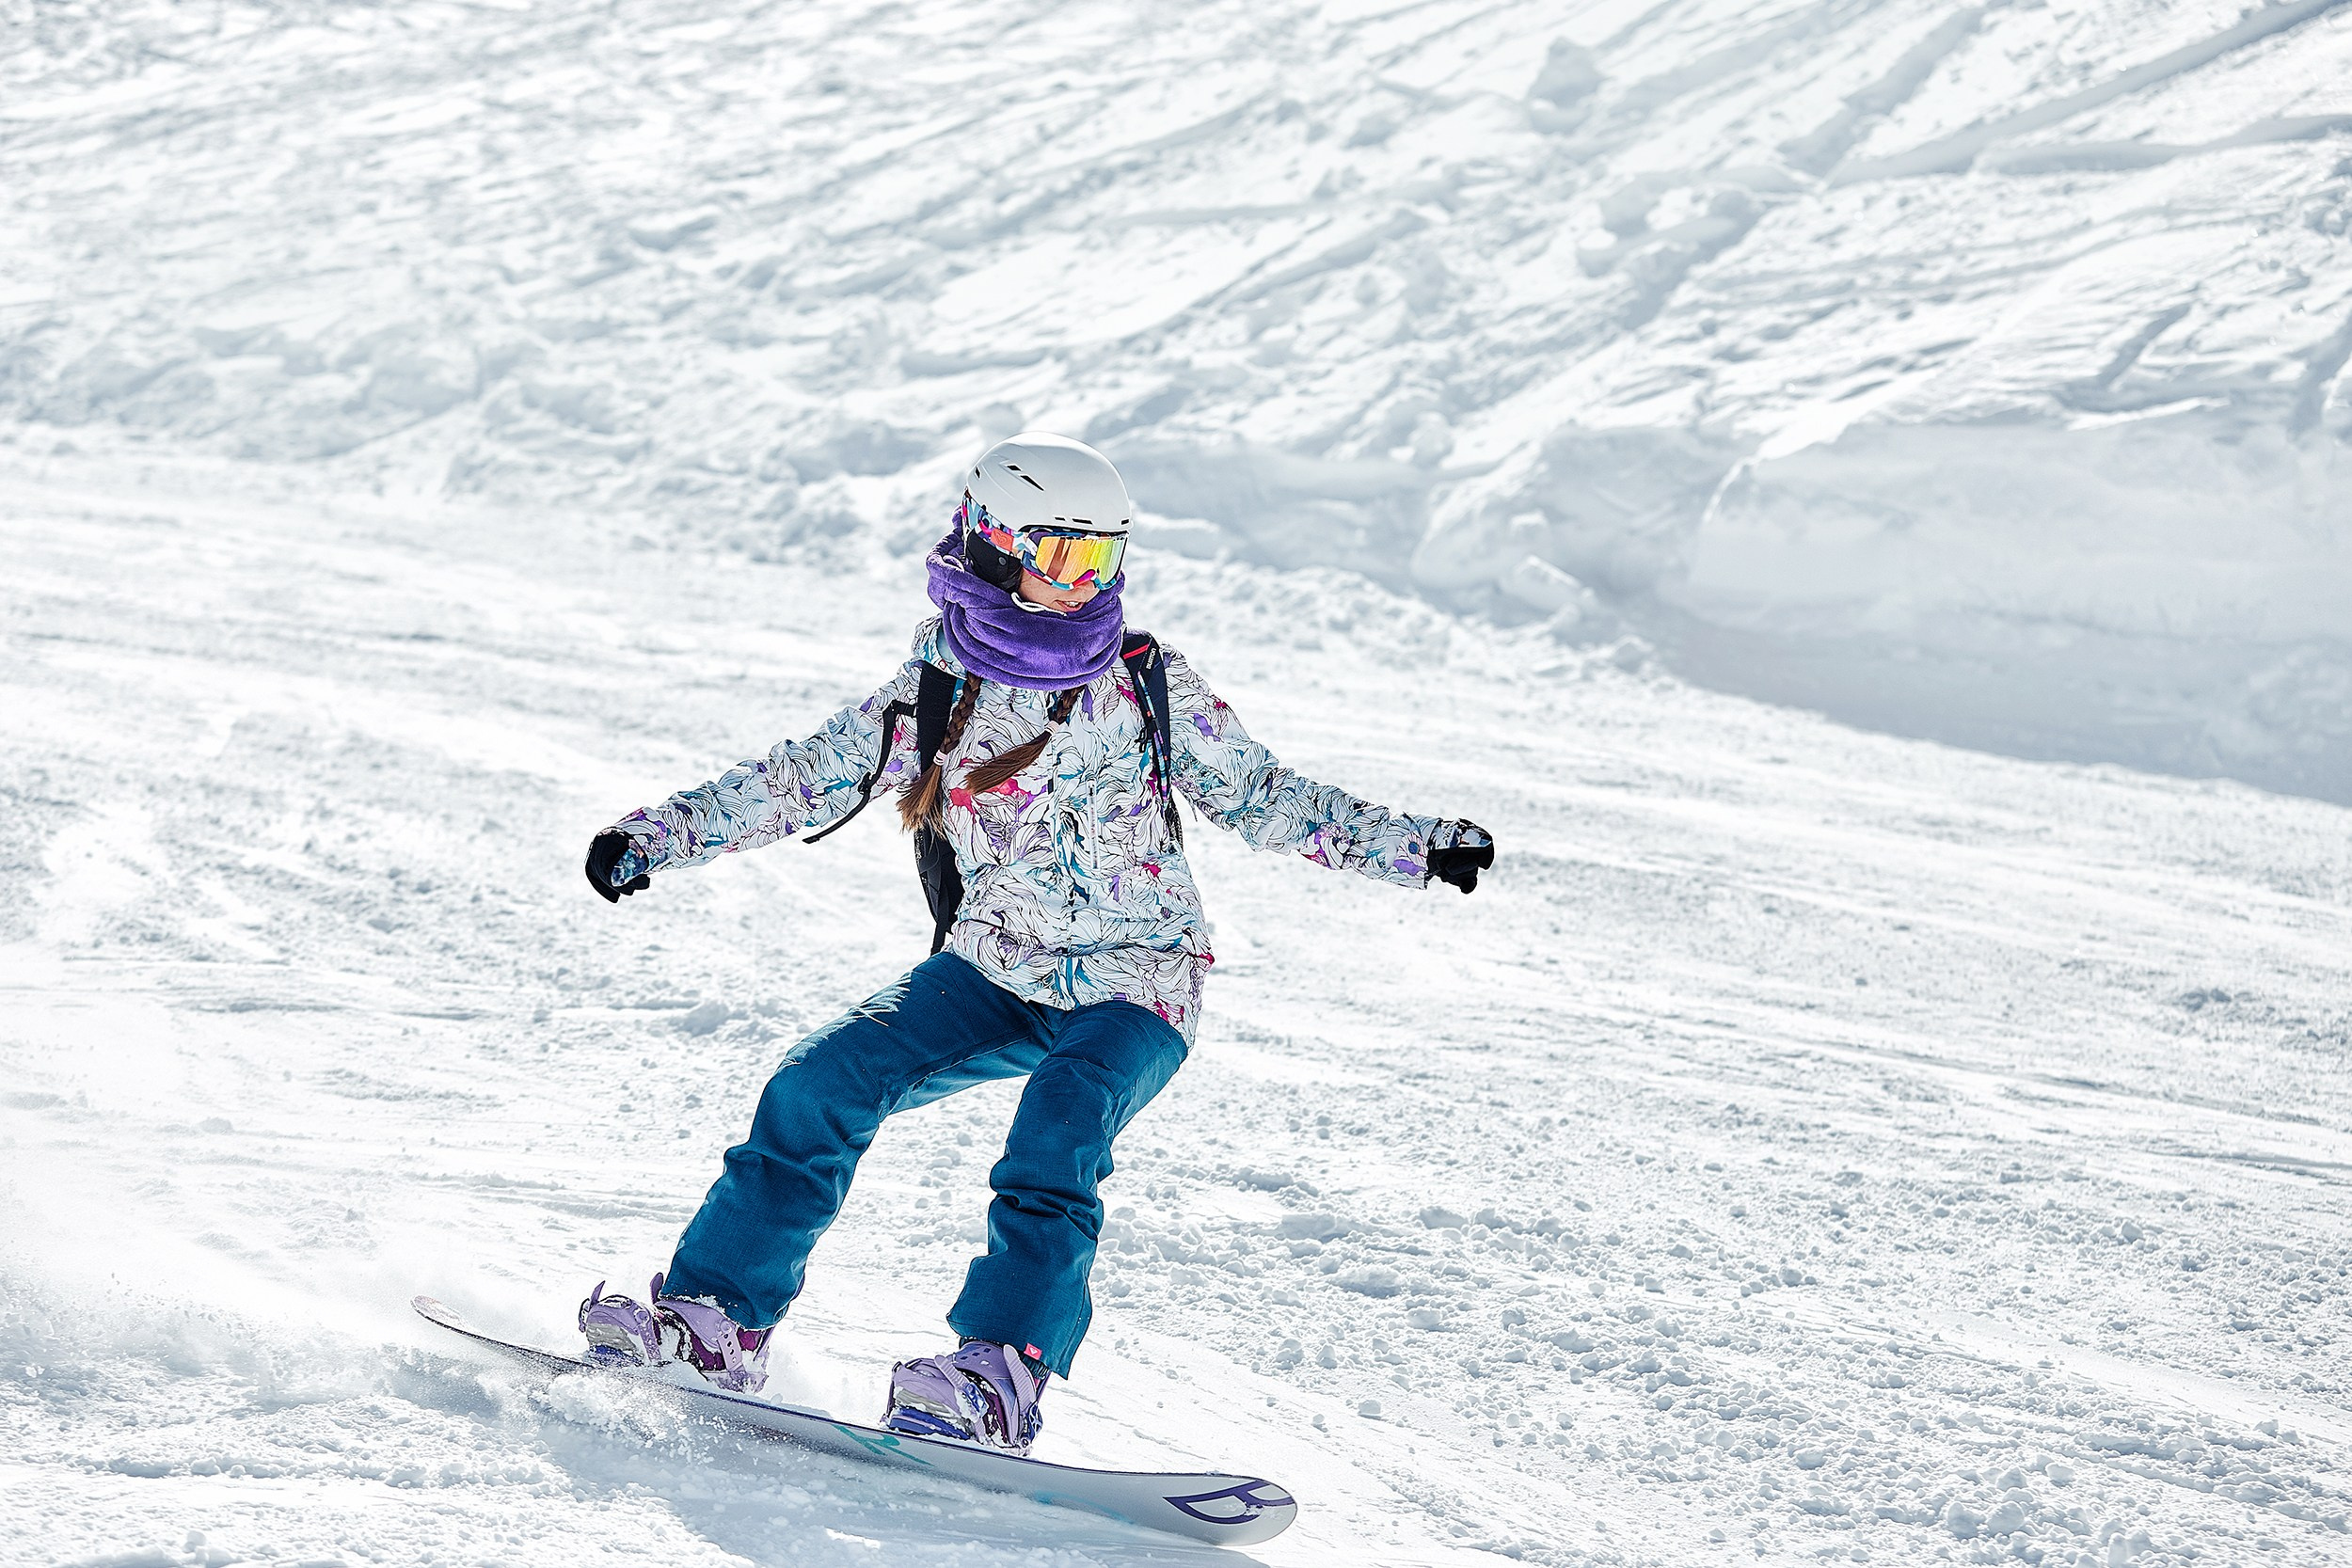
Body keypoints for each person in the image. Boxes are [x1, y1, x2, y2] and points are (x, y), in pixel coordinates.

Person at [574, 432, 1494, 1454]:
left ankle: (997, 1373)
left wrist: (1413, 847)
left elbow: (1266, 795)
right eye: (1062, 557)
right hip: (993, 967)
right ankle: (713, 1321)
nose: (1082, 585)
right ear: (992, 544)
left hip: (1138, 981)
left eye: (1101, 561)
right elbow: (801, 775)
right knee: (819, 1079)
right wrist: (657, 835)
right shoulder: (931, 686)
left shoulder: (1146, 680)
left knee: (1057, 1125)